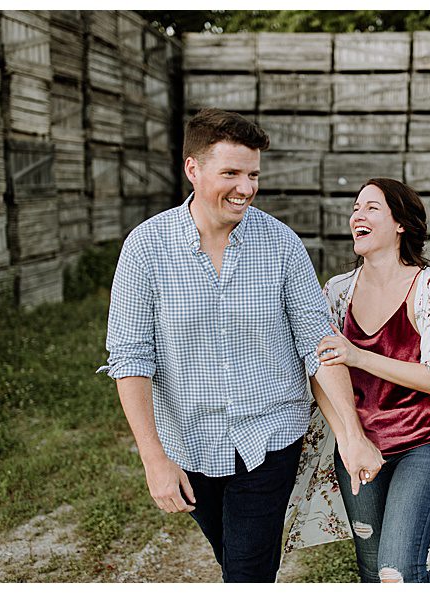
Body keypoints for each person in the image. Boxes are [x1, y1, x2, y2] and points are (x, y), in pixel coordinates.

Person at [101, 108, 384, 583]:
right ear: (193, 169)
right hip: (190, 440)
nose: (246, 188)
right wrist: (153, 459)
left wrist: (352, 436)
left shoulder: (281, 244)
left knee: (248, 570)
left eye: (253, 175)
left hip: (270, 436)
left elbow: (318, 342)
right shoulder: (145, 248)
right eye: (231, 173)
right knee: (233, 557)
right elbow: (131, 358)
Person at [283, 178, 430, 583]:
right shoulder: (337, 292)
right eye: (355, 208)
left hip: (423, 443)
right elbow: (321, 372)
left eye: (371, 208)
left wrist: (359, 355)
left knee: (398, 573)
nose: (357, 215)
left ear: (400, 224)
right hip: (360, 447)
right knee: (372, 572)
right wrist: (348, 439)